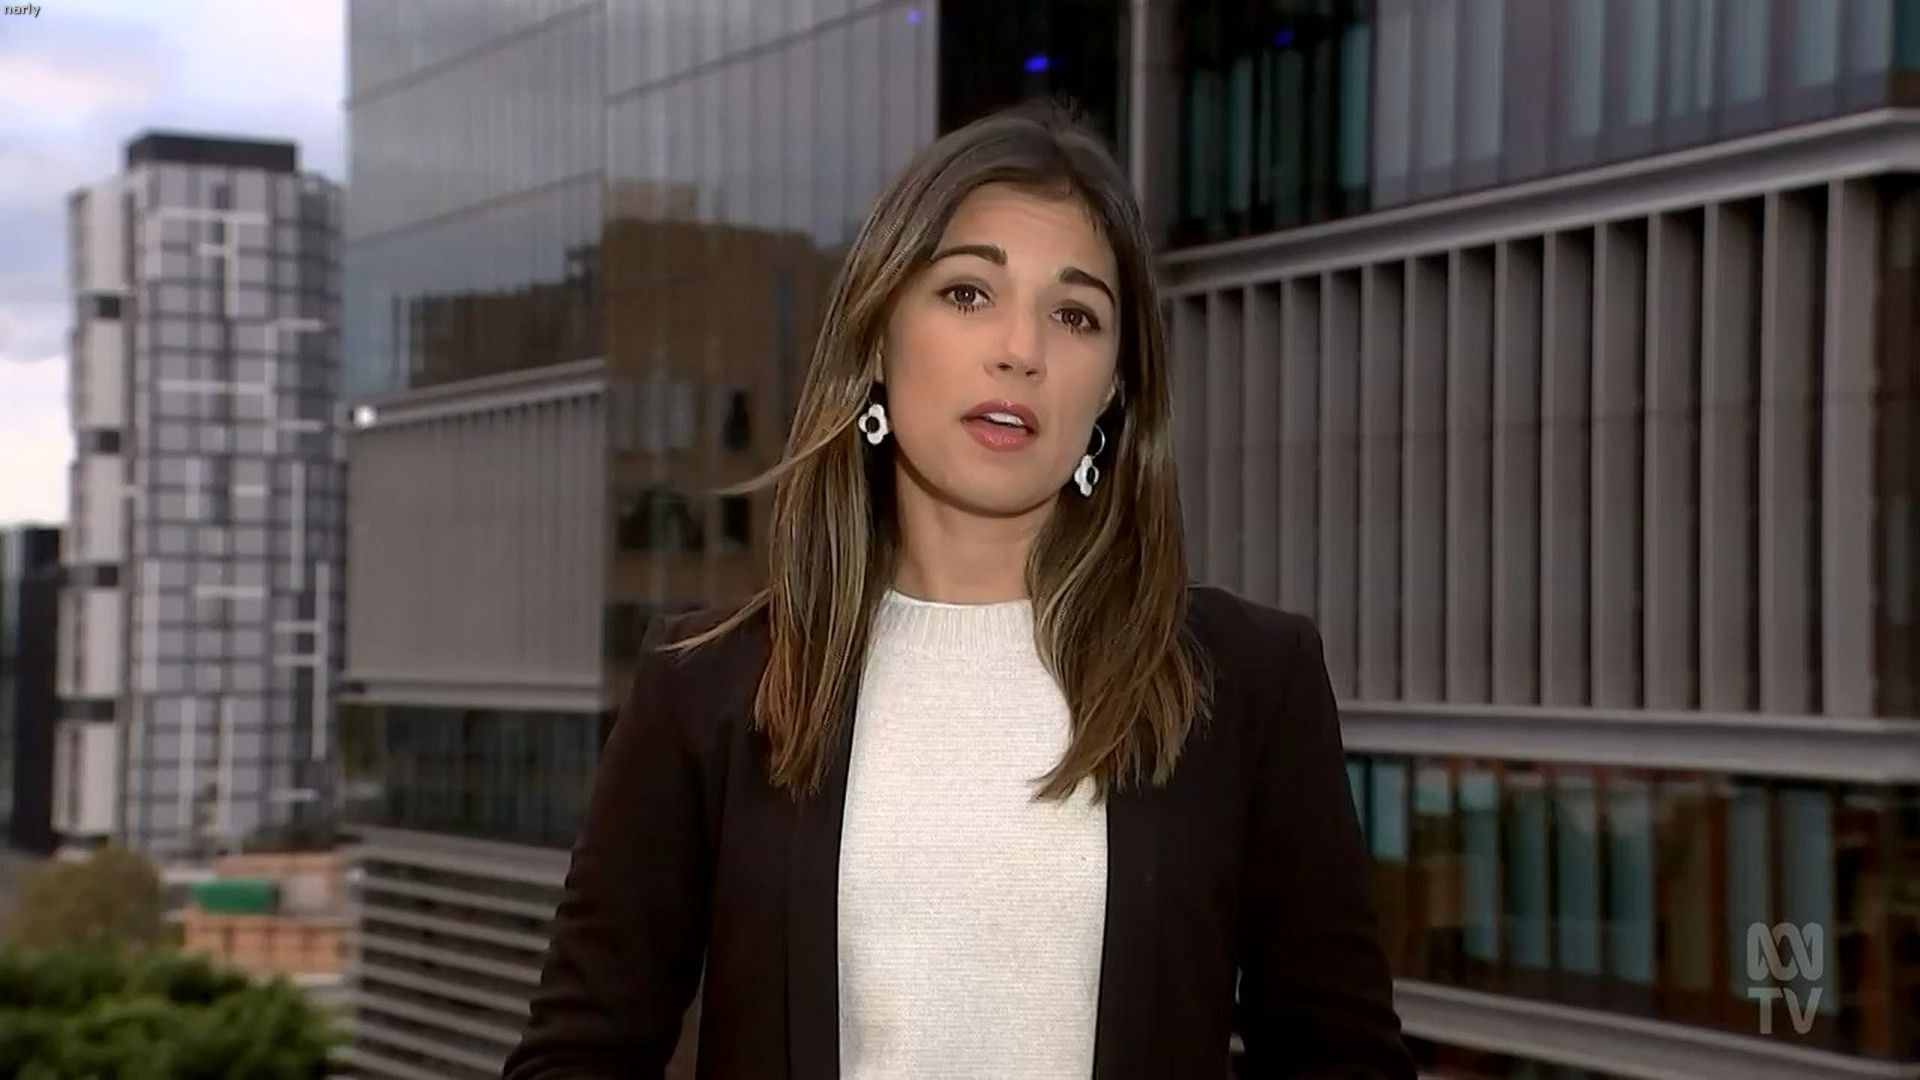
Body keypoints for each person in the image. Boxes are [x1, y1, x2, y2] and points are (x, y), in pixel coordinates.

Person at [502, 102, 1414, 1080]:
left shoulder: (1248, 684)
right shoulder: (709, 688)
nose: (1021, 348)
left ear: (1114, 389)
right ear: (878, 340)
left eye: (1075, 315)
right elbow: (577, 1058)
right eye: (969, 292)